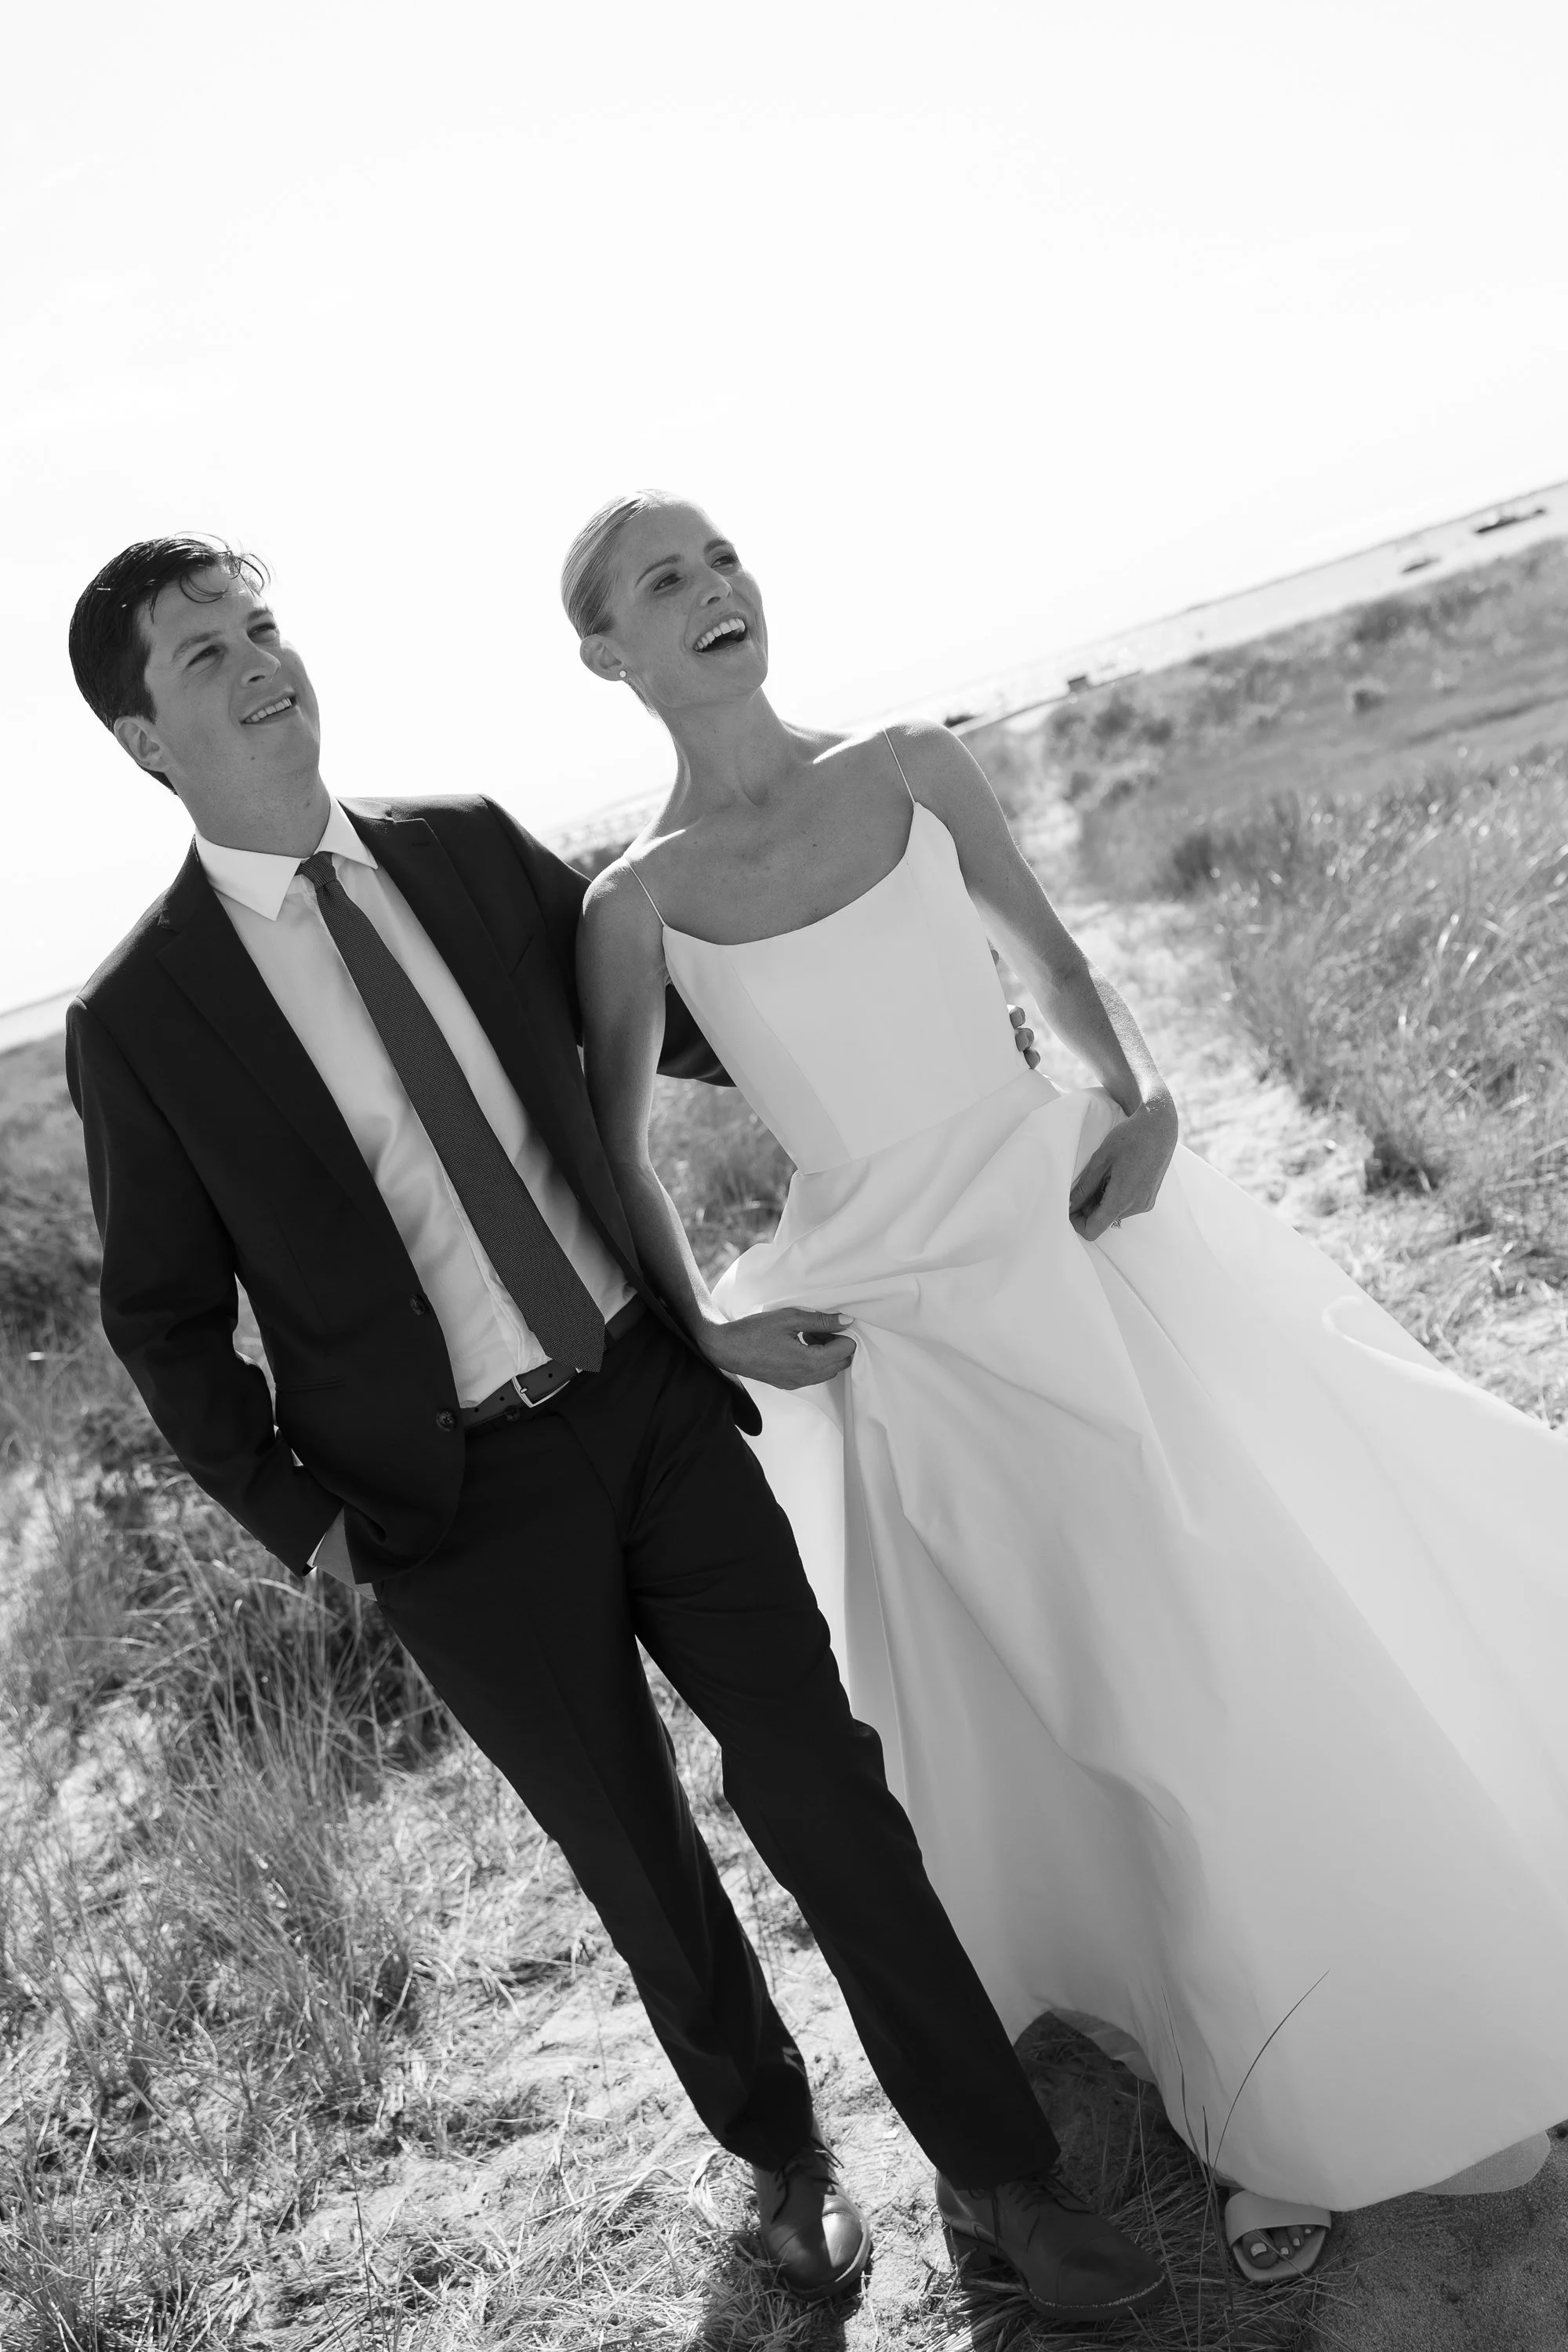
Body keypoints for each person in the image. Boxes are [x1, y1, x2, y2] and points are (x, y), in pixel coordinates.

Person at [61, 536, 1169, 2326]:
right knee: (640, 1866)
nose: (260, 663)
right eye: (205, 655)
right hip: (447, 1513)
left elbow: (679, 1020)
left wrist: (929, 1046)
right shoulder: (140, 1018)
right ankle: (785, 2167)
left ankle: (999, 2173)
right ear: (141, 737)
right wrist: (314, 1524)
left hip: (650, 1402)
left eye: (264, 626)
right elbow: (162, 1325)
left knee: (825, 1791)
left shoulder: (467, 845)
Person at [569, 489, 1568, 2285]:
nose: (715, 587)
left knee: (1218, 1617)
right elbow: (618, 1158)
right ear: (606, 655)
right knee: (1093, 1688)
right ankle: (1245, 2063)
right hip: (901, 1316)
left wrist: (1149, 1097)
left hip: (1063, 1224)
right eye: (664, 580)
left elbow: (1049, 951)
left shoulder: (908, 762)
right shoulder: (634, 906)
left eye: (720, 555)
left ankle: (1345, 2058)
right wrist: (708, 1329)